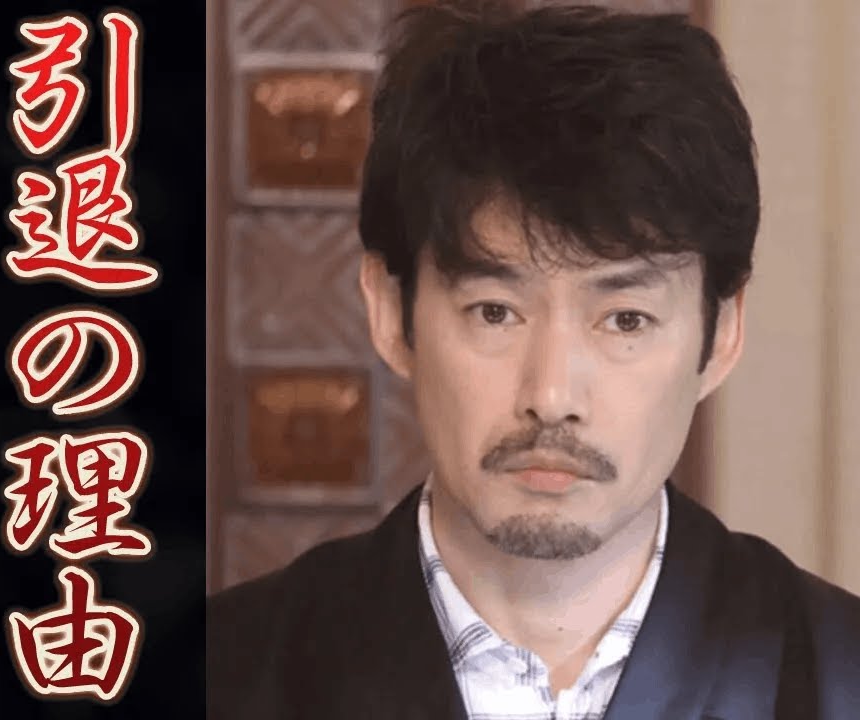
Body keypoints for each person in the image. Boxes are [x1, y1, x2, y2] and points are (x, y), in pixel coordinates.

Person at [206, 2, 860, 718]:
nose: (551, 395)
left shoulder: (837, 673)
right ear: (392, 313)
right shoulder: (221, 673)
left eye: (625, 320)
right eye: (495, 312)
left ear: (723, 333)